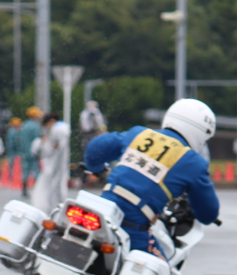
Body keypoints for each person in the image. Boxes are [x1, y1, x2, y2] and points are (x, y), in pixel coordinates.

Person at [83, 98, 220, 258]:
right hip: (131, 226)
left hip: (100, 212)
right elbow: (208, 213)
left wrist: (98, 170)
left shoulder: (139, 133)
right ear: (202, 134)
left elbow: (94, 148)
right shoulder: (193, 163)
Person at [31, 113, 71, 214]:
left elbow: (51, 149)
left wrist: (45, 143)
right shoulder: (62, 129)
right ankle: (57, 208)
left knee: (54, 188)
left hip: (55, 165)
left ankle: (55, 208)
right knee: (57, 187)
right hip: (58, 164)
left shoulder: (57, 130)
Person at [19, 106, 43, 197]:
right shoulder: (36, 126)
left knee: (25, 171)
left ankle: (24, 190)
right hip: (33, 152)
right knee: (36, 171)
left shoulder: (24, 125)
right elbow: (37, 140)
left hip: (24, 152)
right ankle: (37, 190)